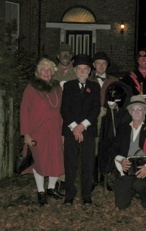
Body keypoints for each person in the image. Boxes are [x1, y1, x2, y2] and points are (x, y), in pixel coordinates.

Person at [20, 58, 64, 206]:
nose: (46, 72)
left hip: (55, 131)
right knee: (39, 161)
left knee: (55, 160)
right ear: (38, 73)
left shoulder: (58, 89)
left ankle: (51, 188)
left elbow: (61, 111)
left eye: (49, 70)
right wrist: (26, 133)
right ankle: (41, 191)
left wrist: (63, 131)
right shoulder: (31, 88)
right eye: (43, 70)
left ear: (53, 73)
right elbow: (24, 111)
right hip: (37, 131)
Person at [113, 95, 146, 210]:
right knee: (121, 205)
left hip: (143, 168)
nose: (137, 111)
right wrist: (121, 159)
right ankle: (131, 188)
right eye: (134, 109)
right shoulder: (122, 129)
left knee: (139, 184)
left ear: (145, 112)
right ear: (129, 111)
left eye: (140, 109)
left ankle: (144, 196)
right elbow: (113, 149)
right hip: (126, 169)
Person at [61, 54, 101, 206]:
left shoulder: (95, 86)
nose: (82, 72)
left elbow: (95, 109)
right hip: (71, 130)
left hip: (88, 130)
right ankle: (69, 194)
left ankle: (86, 195)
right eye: (79, 69)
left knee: (88, 163)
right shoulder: (68, 86)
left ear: (90, 70)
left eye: (85, 69)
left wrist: (82, 126)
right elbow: (65, 109)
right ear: (75, 70)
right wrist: (74, 128)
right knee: (70, 163)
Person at [88, 52, 118, 188]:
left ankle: (104, 178)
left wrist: (113, 105)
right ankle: (93, 177)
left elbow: (120, 99)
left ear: (107, 65)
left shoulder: (114, 81)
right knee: (93, 148)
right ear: (94, 65)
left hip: (108, 119)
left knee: (106, 146)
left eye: (103, 63)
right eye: (98, 63)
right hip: (92, 119)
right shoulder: (87, 80)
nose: (101, 66)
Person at [53, 43, 76, 195]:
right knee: (54, 147)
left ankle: (65, 180)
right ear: (58, 56)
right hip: (54, 116)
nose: (65, 56)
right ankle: (54, 179)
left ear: (71, 55)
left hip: (70, 115)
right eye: (63, 53)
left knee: (67, 148)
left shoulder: (77, 72)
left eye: (68, 53)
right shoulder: (51, 72)